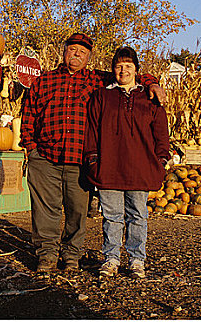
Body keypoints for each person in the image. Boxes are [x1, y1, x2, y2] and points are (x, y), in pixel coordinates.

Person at [21, 33, 165, 272]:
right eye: (72, 49)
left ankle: (71, 256)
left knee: (77, 211)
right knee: (46, 210)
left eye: (83, 52)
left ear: (89, 57)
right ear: (64, 51)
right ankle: (46, 255)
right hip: (45, 156)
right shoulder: (43, 80)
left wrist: (152, 82)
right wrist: (31, 147)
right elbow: (29, 115)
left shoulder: (98, 79)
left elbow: (129, 74)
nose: (76, 55)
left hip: (79, 158)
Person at [84, 46, 170, 278]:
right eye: (119, 66)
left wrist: (161, 159)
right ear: (113, 69)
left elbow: (161, 132)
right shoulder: (103, 96)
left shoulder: (149, 97)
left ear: (136, 70)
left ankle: (136, 260)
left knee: (137, 216)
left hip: (140, 167)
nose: (123, 70)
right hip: (109, 165)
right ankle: (111, 259)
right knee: (112, 217)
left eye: (128, 66)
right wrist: (92, 158)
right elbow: (92, 129)